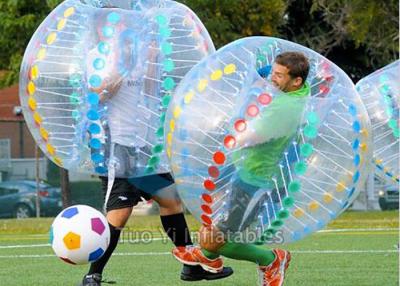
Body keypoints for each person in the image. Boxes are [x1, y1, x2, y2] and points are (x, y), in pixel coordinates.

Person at [81, 11, 233, 286]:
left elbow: (150, 91)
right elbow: (100, 95)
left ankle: (190, 267)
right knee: (119, 214)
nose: (123, 30)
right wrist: (124, 65)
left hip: (145, 147)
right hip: (118, 146)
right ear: (104, 30)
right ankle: (93, 274)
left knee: (171, 201)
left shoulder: (141, 55)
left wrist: (149, 62)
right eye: (117, 26)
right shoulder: (97, 57)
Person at [172, 51, 310, 286]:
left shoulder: (285, 107)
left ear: (296, 80)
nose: (271, 79)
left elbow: (250, 137)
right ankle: (208, 259)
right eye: (273, 73)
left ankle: (270, 259)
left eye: (278, 75)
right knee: (219, 231)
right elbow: (269, 74)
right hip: (248, 174)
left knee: (220, 240)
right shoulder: (297, 90)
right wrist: (262, 75)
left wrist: (232, 124)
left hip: (255, 182)